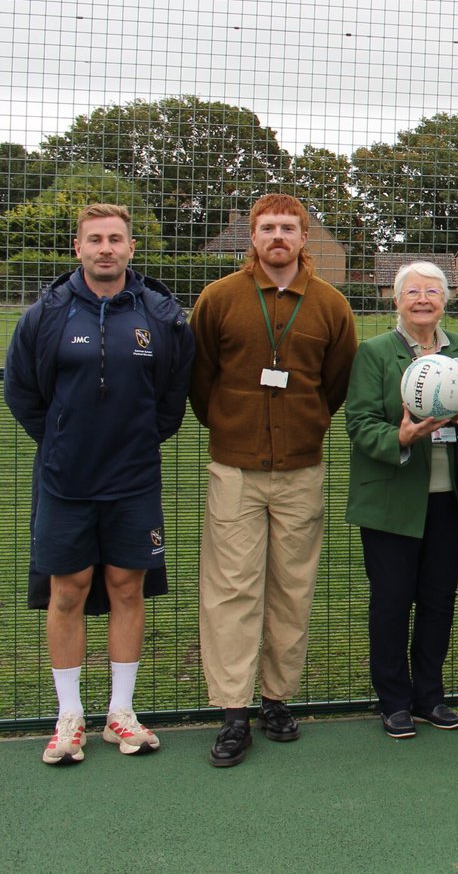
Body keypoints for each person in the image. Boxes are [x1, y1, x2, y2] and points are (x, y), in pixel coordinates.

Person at [5, 203, 194, 765]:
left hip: (134, 479)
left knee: (126, 588)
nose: (106, 248)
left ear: (131, 248)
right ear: (78, 248)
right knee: (67, 590)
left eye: (116, 238)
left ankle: (121, 714)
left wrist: (135, 442)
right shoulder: (47, 313)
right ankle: (70, 720)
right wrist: (63, 440)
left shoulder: (161, 314)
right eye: (95, 239)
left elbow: (171, 399)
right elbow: (22, 392)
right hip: (66, 480)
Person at [188, 193, 357, 767]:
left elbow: (334, 385)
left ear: (304, 237)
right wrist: (230, 428)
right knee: (233, 590)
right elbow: (200, 375)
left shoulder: (331, 305)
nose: (277, 236)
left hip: (301, 471)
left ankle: (276, 699)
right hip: (234, 469)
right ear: (252, 238)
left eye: (288, 227)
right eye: (267, 228)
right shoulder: (219, 299)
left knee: (291, 589)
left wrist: (303, 428)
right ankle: (233, 711)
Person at [344, 261, 458, 738]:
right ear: (396, 299)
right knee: (391, 602)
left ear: (445, 300)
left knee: (438, 600)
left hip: (446, 500)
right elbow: (360, 422)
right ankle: (393, 701)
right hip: (391, 502)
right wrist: (401, 436)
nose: (424, 299)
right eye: (413, 292)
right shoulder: (374, 353)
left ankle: (430, 696)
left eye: (433, 291)